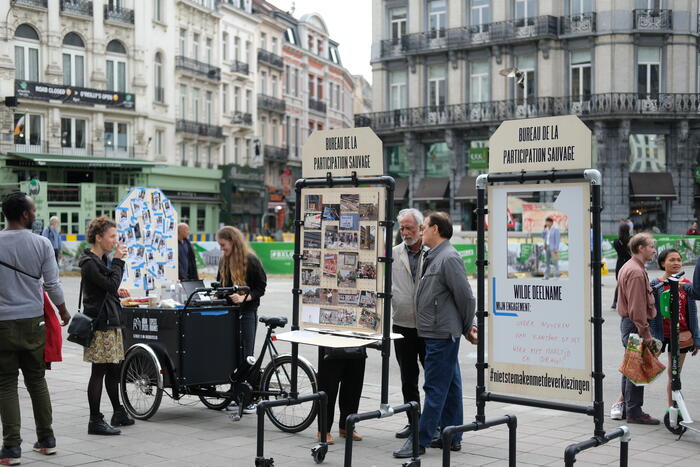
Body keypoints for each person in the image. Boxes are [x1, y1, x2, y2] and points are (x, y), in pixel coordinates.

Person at [394, 212, 477, 458]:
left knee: (434, 388)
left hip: (441, 333)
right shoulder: (436, 255)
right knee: (450, 385)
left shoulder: (448, 257)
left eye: (425, 227)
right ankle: (452, 435)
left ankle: (420, 439)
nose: (421, 231)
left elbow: (466, 297)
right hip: (436, 330)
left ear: (436, 230)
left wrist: (465, 328)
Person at [0, 192, 70, 464]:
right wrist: (63, 311)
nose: (35, 214)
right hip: (33, 322)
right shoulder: (41, 244)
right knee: (36, 380)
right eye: (32, 209)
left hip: (2, 324)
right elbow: (52, 284)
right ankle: (46, 439)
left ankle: (11, 449)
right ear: (24, 214)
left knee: (6, 384)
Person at [79, 216, 135, 436]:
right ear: (99, 237)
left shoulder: (101, 261)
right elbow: (111, 282)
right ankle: (95, 420)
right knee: (99, 371)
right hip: (100, 324)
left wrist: (115, 291)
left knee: (114, 369)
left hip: (111, 320)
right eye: (112, 236)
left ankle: (118, 412)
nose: (115, 241)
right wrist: (119, 262)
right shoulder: (90, 262)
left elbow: (108, 287)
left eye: (116, 237)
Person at [216, 226, 267, 412]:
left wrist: (244, 297)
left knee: (247, 355)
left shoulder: (250, 260)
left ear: (233, 241)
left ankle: (250, 398)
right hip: (229, 314)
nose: (221, 248)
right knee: (232, 355)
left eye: (223, 244)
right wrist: (217, 296)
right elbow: (221, 286)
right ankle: (235, 395)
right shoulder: (224, 260)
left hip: (247, 313)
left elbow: (261, 287)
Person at [615, 233, 659, 424]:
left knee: (630, 366)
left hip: (629, 323)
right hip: (635, 325)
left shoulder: (632, 267)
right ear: (640, 248)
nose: (654, 249)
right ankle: (634, 412)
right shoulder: (635, 272)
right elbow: (637, 308)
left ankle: (628, 408)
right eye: (651, 246)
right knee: (636, 368)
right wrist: (646, 333)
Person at [650, 249, 700, 410]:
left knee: (674, 374)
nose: (676, 263)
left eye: (679, 259)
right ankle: (624, 401)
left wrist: (697, 338)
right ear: (662, 263)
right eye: (671, 260)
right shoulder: (655, 284)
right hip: (658, 334)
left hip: (682, 335)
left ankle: (673, 408)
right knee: (642, 369)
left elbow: (692, 313)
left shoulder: (687, 285)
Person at [391, 208, 426, 439]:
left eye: (409, 227)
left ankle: (435, 425)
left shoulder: (432, 251)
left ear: (421, 228)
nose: (405, 232)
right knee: (408, 379)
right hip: (402, 324)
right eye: (402, 228)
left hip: (428, 327)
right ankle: (413, 423)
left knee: (433, 379)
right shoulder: (393, 253)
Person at [316, 346, 367, 444]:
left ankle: (347, 427)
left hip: (357, 338)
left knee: (353, 385)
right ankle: (323, 430)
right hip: (332, 338)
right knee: (328, 386)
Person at [612, 223, 632, 309]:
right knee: (629, 284)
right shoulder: (631, 240)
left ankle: (615, 302)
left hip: (620, 263)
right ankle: (626, 302)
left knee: (619, 283)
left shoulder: (616, 241)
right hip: (629, 263)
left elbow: (619, 252)